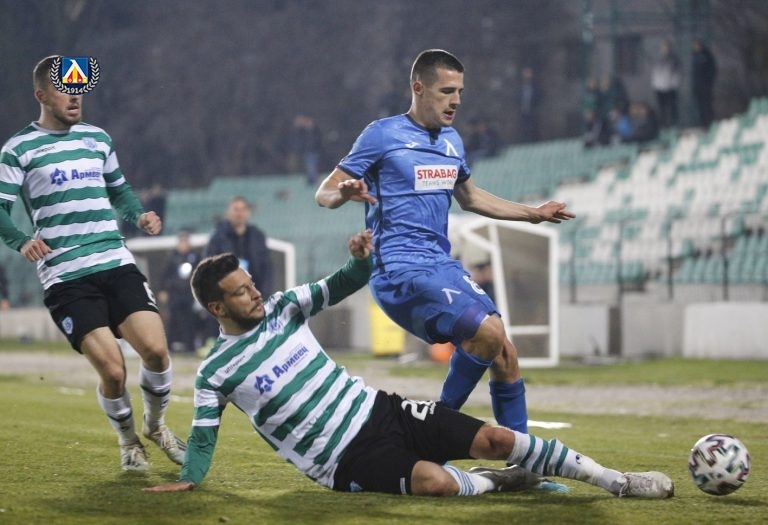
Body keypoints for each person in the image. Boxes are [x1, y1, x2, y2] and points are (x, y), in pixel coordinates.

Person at [143, 231, 674, 499]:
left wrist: (359, 261)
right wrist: (190, 480)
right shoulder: (217, 371)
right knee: (437, 484)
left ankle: (618, 482)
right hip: (344, 460)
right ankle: (500, 482)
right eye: (240, 292)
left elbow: (341, 284)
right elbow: (205, 436)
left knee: (495, 438)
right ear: (217, 308)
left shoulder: (285, 307)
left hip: (383, 411)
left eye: (251, 283)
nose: (254, 292)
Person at [314, 49, 575, 433]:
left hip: (440, 263)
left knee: (504, 351)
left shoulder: (452, 140)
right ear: (419, 88)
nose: (456, 101)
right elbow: (324, 193)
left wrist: (533, 213)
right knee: (488, 333)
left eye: (460, 92)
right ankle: (433, 429)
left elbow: (470, 197)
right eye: (447, 91)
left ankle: (521, 455)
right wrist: (344, 192)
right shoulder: (382, 134)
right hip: (398, 267)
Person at [0, 55, 186, 471]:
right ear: (41, 95)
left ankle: (156, 426)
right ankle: (128, 441)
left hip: (114, 261)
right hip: (66, 275)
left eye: (79, 90)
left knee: (157, 351)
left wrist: (138, 215)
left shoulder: (98, 138)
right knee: (114, 372)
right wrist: (20, 240)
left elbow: (119, 190)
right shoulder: (18, 149)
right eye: (65, 90)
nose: (75, 97)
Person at [158, 231, 202, 353]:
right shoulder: (172, 257)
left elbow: (199, 274)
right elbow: (164, 275)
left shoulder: (195, 257)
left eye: (185, 242)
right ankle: (170, 345)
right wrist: (163, 290)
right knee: (173, 319)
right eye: (181, 242)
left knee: (190, 319)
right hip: (175, 293)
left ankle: (190, 345)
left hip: (189, 293)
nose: (183, 245)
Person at [651, 39, 682, 128]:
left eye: (667, 47)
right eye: (663, 47)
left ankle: (674, 125)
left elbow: (678, 73)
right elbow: (655, 73)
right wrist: (655, 84)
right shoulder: (658, 59)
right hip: (659, 87)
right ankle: (663, 126)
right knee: (662, 108)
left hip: (670, 87)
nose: (665, 49)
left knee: (672, 107)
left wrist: (674, 85)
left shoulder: (674, 59)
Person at [691, 38, 717, 129]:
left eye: (697, 45)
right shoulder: (694, 56)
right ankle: (703, 123)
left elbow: (712, 69)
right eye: (694, 45)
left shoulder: (707, 55)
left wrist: (709, 81)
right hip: (698, 85)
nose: (696, 47)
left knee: (707, 104)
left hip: (706, 85)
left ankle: (710, 122)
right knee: (700, 105)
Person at [518, 66, 539, 143]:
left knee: (533, 126)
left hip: (532, 110)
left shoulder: (535, 85)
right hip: (523, 110)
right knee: (524, 127)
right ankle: (525, 140)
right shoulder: (521, 85)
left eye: (528, 73)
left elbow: (538, 97)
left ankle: (533, 140)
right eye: (525, 73)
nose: (527, 75)